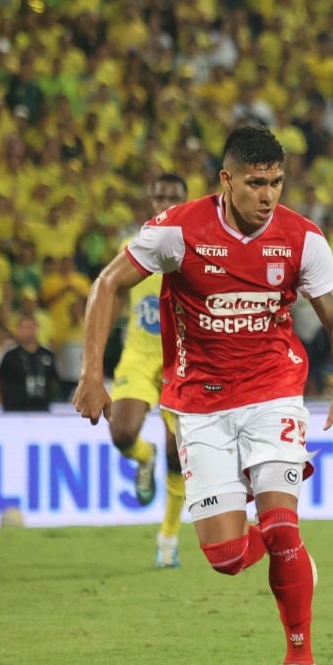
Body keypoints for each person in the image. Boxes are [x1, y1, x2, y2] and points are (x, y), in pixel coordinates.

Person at [73, 124, 333, 665]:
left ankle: (299, 663)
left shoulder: (303, 239)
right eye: (257, 183)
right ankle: (289, 551)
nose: (269, 196)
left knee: (283, 523)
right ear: (226, 181)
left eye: (277, 183)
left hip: (274, 390)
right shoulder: (177, 232)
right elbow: (107, 284)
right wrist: (92, 375)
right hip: (201, 404)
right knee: (228, 556)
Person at [106, 173, 190, 567]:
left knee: (179, 454)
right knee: (122, 432)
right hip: (139, 355)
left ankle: (168, 539)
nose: (164, 201)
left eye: (173, 196)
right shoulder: (131, 248)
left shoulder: (200, 250)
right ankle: (143, 457)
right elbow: (108, 293)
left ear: (185, 202)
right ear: (149, 198)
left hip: (181, 361)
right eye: (159, 194)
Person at [0, 314, 57, 412]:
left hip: (41, 408)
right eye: (24, 328)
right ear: (18, 330)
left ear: (37, 328)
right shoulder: (8, 353)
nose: (28, 331)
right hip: (13, 409)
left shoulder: (47, 353)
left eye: (30, 327)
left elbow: (54, 380)